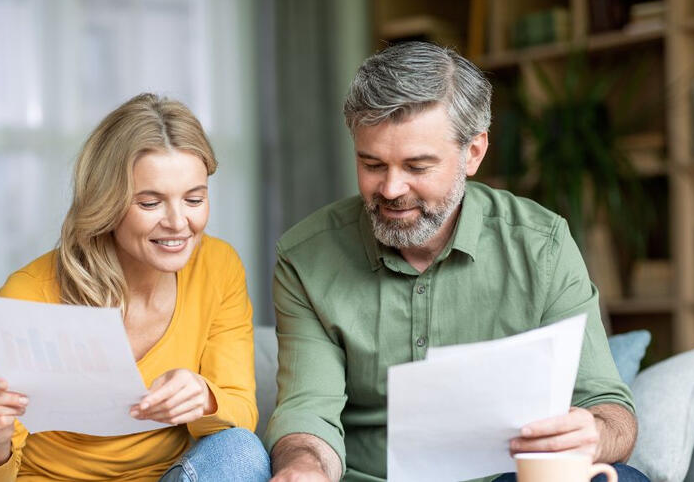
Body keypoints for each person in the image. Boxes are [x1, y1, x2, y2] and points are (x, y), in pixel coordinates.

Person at [264, 41, 649, 482]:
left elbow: (608, 407)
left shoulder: (542, 246)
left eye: (417, 166)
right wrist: (304, 469)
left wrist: (594, 435)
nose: (390, 188)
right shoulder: (306, 258)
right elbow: (308, 414)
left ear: (474, 153)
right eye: (372, 164)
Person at [0, 93, 270, 482]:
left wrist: (204, 398)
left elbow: (241, 412)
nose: (178, 223)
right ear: (108, 203)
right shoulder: (30, 294)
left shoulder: (218, 267)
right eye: (150, 203)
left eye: (194, 198)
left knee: (241, 452)